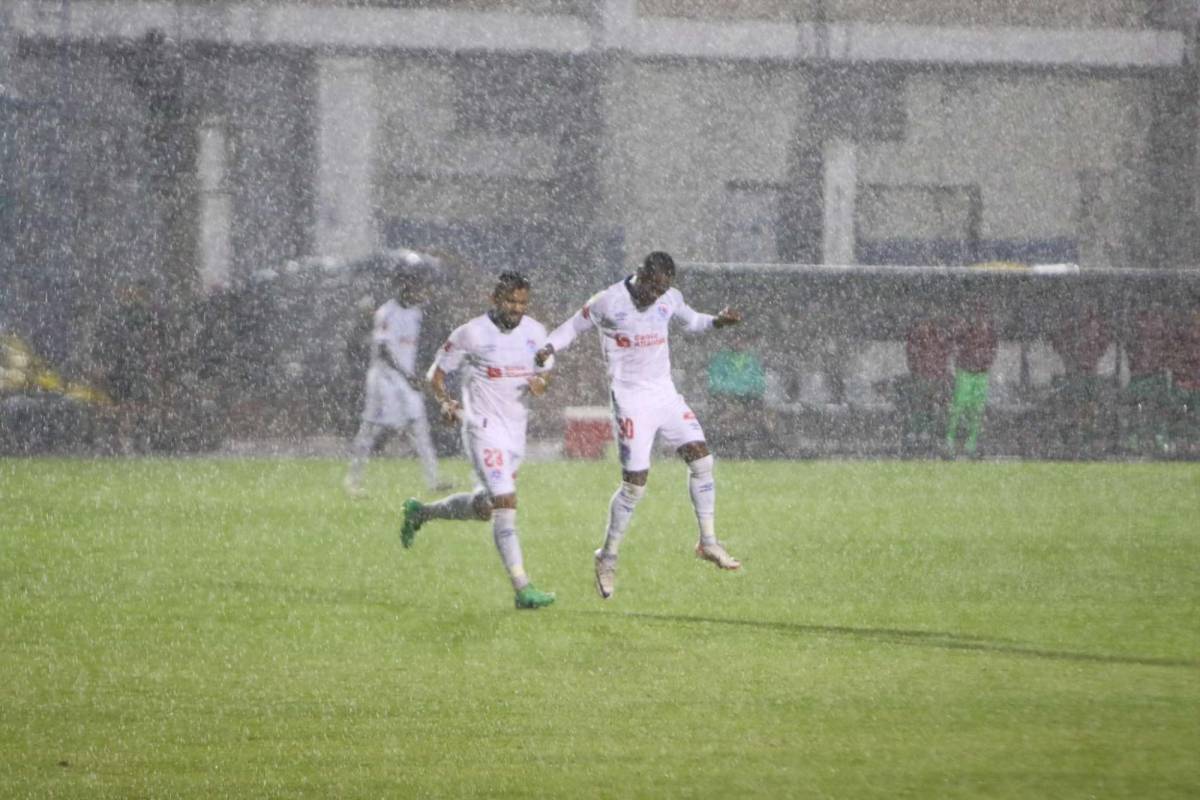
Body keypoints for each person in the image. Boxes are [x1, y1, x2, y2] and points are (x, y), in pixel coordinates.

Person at [534, 251, 742, 600]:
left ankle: (707, 542)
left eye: (663, 290)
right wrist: (548, 347)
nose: (656, 295)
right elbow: (573, 326)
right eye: (653, 287)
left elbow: (692, 321)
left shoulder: (669, 298)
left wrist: (718, 321)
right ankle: (607, 556)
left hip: (665, 394)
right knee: (635, 487)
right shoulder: (607, 302)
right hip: (631, 400)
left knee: (702, 461)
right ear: (641, 274)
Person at [399, 272, 556, 610]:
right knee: (506, 501)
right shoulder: (471, 333)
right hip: (482, 430)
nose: (516, 308)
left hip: (516, 434)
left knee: (486, 507)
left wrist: (542, 383)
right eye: (510, 301)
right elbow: (436, 374)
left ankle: (421, 513)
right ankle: (522, 587)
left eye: (522, 302)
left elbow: (544, 373)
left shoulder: (536, 332)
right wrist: (446, 401)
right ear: (494, 299)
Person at [344, 269, 448, 497]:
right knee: (370, 428)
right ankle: (353, 480)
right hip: (383, 378)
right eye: (416, 288)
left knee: (420, 427)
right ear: (404, 288)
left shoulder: (416, 314)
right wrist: (407, 375)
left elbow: (410, 349)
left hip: (405, 379)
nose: (420, 293)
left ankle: (434, 480)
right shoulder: (386, 313)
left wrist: (415, 373)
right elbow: (382, 351)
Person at [1048, 303, 1112, 457]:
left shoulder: (1095, 326)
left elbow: (1103, 342)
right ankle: (1075, 443)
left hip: (1087, 374)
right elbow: (1059, 343)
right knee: (1076, 408)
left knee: (1088, 408)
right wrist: (1071, 359)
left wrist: (1090, 359)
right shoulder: (1071, 327)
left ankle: (1084, 442)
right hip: (1075, 374)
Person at [945, 298, 998, 459]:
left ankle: (970, 442)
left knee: (976, 409)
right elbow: (953, 341)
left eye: (983, 314)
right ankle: (950, 439)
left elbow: (993, 348)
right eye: (978, 314)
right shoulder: (965, 330)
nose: (980, 317)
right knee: (959, 406)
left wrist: (986, 361)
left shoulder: (990, 331)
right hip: (966, 371)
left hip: (980, 372)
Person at [898, 317, 953, 456]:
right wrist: (919, 371)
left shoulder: (937, 341)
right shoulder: (916, 342)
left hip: (933, 380)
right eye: (922, 324)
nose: (924, 328)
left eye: (926, 324)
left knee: (931, 410)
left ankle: (928, 437)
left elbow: (943, 358)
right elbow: (911, 359)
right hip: (921, 379)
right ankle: (917, 436)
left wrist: (938, 374)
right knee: (919, 409)